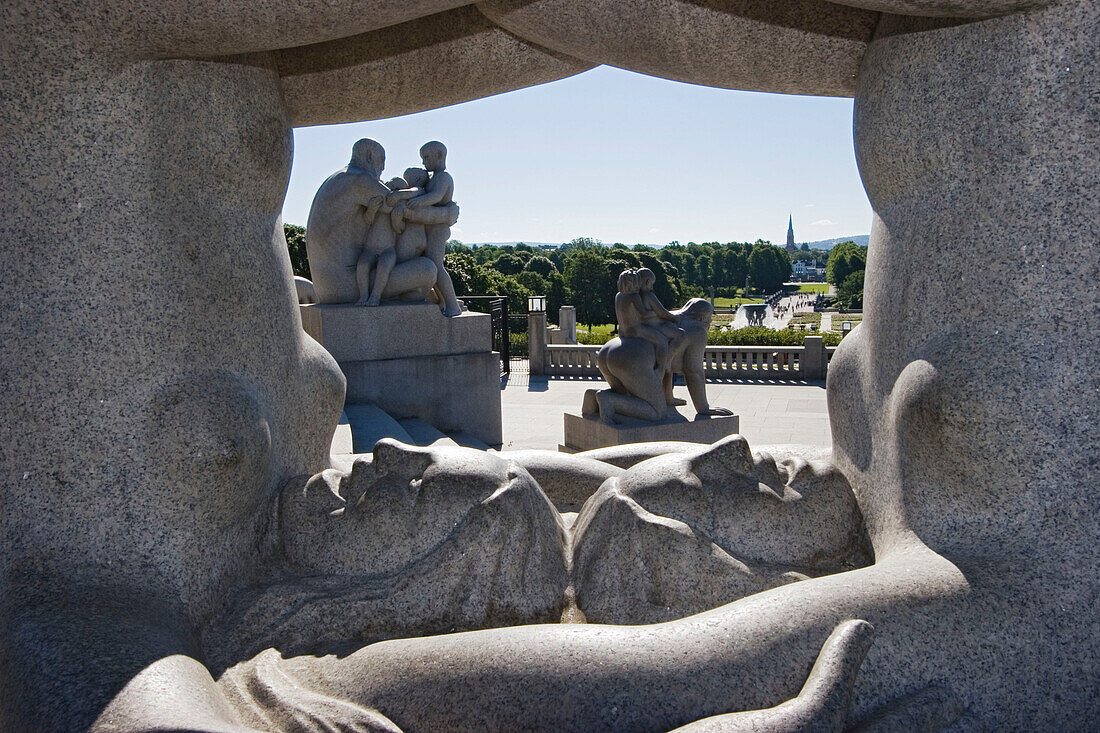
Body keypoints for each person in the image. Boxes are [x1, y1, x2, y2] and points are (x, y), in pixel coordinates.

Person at [615, 269, 669, 372]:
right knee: (662, 341)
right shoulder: (634, 297)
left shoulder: (618, 296)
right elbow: (644, 314)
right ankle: (661, 368)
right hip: (635, 329)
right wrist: (656, 313)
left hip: (622, 331)